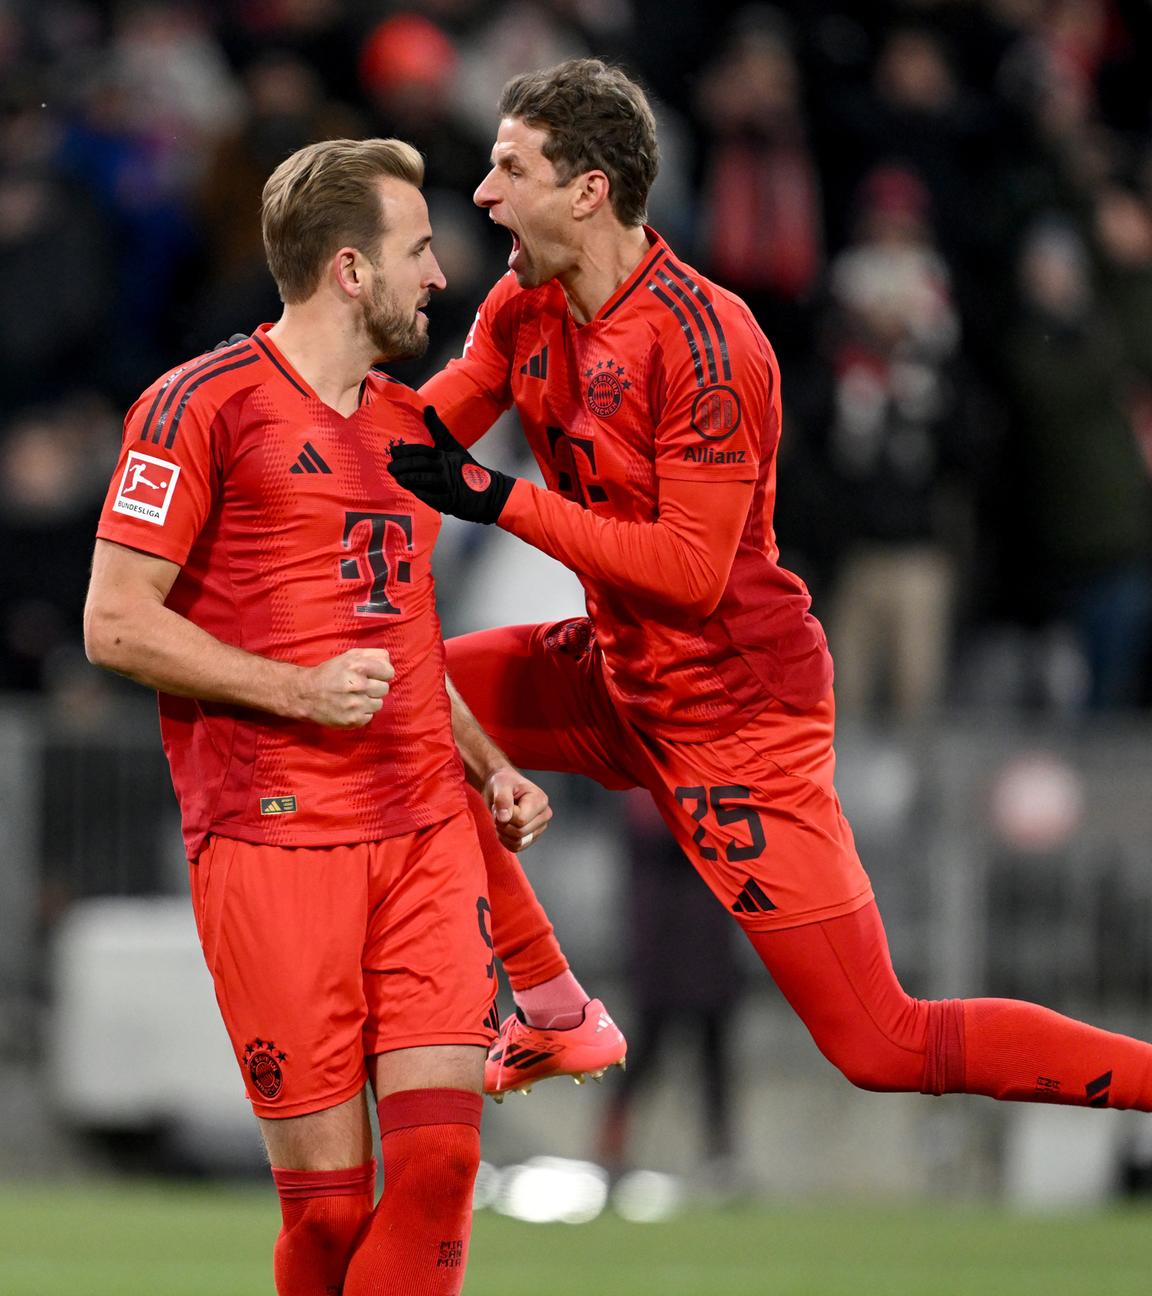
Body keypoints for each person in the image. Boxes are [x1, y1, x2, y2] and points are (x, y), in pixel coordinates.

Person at [391, 58, 1152, 1118]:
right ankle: (554, 1008)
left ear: (589, 189)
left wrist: (496, 500)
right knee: (396, 705)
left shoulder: (707, 342)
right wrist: (275, 429)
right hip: (619, 678)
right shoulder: (524, 309)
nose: (483, 194)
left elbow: (694, 573)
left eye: (508, 168)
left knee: (882, 1041)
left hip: (737, 716)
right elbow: (411, 443)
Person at [83, 137, 556, 1296]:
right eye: (419, 250)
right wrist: (295, 690)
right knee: (334, 1216)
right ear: (350, 270)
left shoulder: (407, 431)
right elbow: (113, 623)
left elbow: (401, 643)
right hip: (272, 839)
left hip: (425, 836)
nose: (439, 275)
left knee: (442, 1163)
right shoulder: (198, 407)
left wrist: (489, 765)